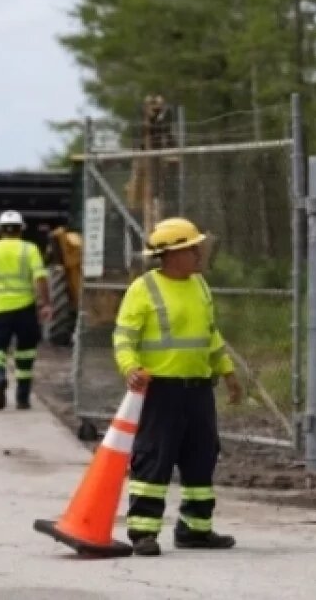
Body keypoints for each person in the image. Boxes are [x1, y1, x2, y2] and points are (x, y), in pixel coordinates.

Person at [112, 216, 243, 557]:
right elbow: (124, 337)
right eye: (192, 249)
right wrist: (130, 368)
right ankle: (143, 532)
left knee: (202, 455)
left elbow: (210, 335)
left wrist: (227, 372)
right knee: (154, 457)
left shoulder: (200, 285)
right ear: (172, 255)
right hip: (161, 391)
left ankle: (196, 529)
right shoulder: (143, 288)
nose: (199, 254)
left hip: (198, 389)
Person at [0, 210, 52, 411]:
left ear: (0, 230)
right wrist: (45, 303)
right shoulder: (29, 249)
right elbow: (40, 279)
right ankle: (22, 399)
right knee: (25, 355)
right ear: (21, 229)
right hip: (25, 311)